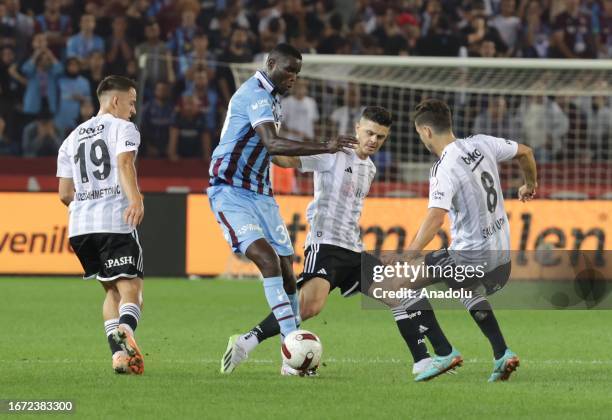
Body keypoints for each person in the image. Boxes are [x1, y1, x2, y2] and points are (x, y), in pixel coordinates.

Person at [221, 106, 451, 377]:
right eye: (369, 133)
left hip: (354, 250)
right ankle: (246, 342)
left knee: (399, 292)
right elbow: (287, 161)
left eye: (380, 137)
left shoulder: (371, 168)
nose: (373, 141)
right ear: (357, 128)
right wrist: (264, 145)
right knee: (309, 307)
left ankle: (422, 361)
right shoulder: (333, 155)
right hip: (325, 245)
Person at [209, 43, 357, 374]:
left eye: (297, 73)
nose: (293, 77)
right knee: (267, 259)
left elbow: (273, 153)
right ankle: (292, 342)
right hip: (230, 191)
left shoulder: (275, 101)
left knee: (290, 272)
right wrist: (325, 145)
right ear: (271, 63)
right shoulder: (255, 94)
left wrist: (299, 158)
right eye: (289, 70)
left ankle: (285, 356)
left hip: (262, 193)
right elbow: (272, 143)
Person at [378, 98, 537, 382]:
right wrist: (530, 185)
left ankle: (443, 352)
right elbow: (525, 152)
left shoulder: (443, 168)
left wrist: (408, 254)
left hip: (472, 258)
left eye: (419, 134)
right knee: (465, 289)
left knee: (396, 283)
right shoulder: (482, 143)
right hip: (502, 260)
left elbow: (435, 219)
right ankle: (502, 354)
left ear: (426, 132)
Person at [56, 75, 145, 375]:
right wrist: (136, 199)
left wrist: (87, 201)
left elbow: (64, 194)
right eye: (131, 102)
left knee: (111, 292)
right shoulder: (123, 128)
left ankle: (119, 356)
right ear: (116, 101)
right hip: (114, 222)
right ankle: (126, 328)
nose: (133, 110)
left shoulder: (70, 138)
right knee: (131, 289)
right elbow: (123, 164)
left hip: (80, 228)